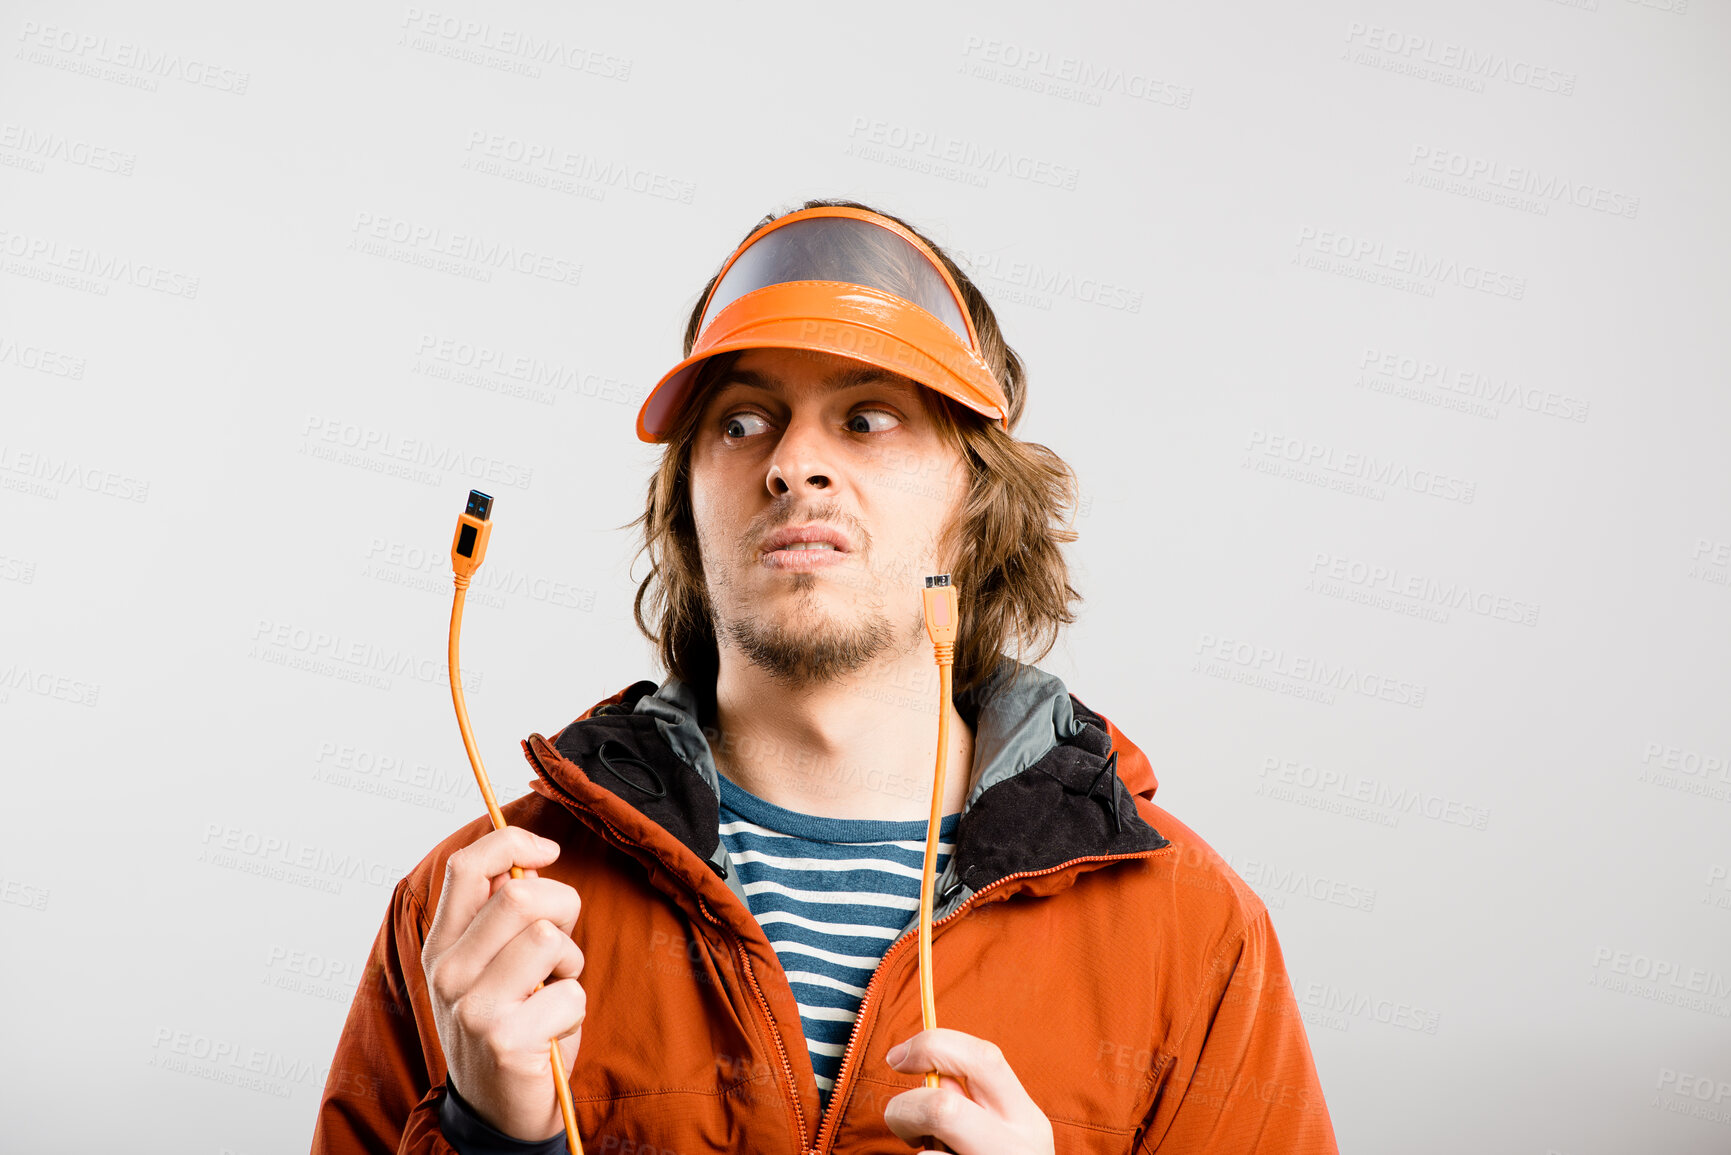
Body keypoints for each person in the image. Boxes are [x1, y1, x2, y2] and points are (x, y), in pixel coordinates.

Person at [310, 199, 1341, 1154]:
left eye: (867, 415)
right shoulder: (487, 910)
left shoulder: (1191, 932)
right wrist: (490, 1137)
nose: (793, 463)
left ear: (975, 497)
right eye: (744, 420)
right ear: (689, 507)